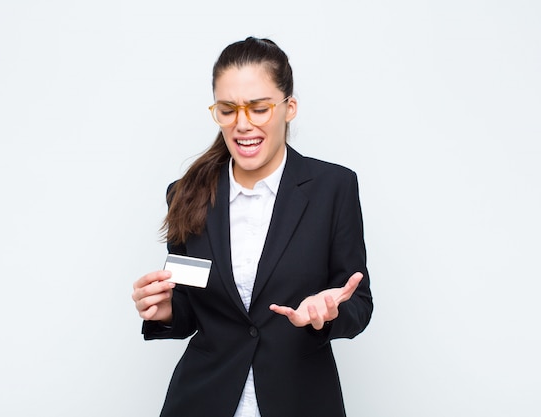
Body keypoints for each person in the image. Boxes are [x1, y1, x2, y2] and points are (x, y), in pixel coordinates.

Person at [131, 36, 373, 417]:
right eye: (228, 110)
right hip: (202, 400)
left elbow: (358, 302)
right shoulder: (186, 194)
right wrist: (165, 310)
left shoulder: (333, 188)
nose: (242, 125)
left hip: (301, 400)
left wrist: (327, 312)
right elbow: (191, 305)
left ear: (288, 107)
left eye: (259, 108)